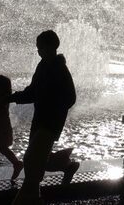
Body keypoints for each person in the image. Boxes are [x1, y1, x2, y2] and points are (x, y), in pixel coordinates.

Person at [10, 30, 79, 204]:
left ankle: (28, 199)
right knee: (39, 161)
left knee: (31, 161)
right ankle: (67, 166)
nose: (38, 50)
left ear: (50, 46)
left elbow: (71, 98)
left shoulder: (60, 69)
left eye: (40, 47)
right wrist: (10, 98)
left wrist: (54, 108)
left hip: (51, 123)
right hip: (40, 120)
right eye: (38, 47)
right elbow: (32, 92)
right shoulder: (42, 65)